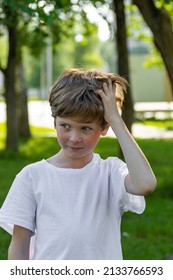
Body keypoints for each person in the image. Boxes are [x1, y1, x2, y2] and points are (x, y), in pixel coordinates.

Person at [0, 68, 156, 260]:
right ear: (54, 122)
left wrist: (116, 119)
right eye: (65, 126)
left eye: (86, 128)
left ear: (104, 128)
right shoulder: (32, 177)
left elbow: (146, 184)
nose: (74, 138)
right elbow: (19, 246)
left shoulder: (111, 172)